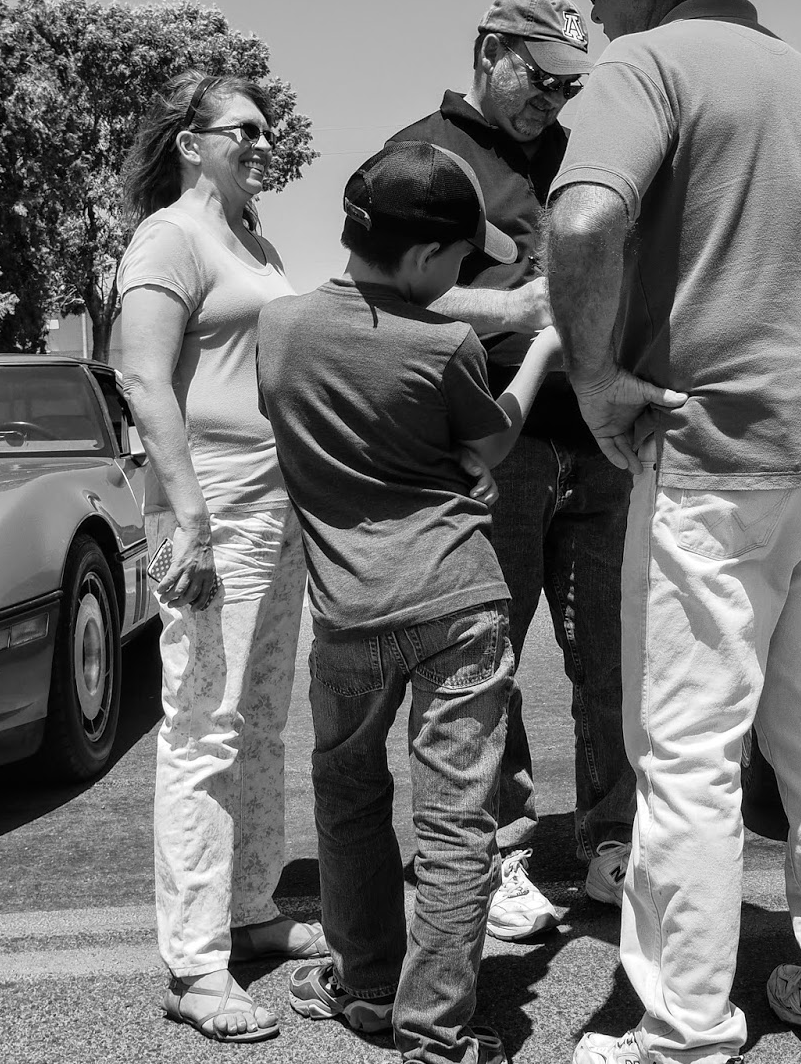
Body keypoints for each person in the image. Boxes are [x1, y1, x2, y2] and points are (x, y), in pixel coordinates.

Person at [528, 0, 801, 1064]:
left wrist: (596, 378)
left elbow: (582, 218)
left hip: (712, 447)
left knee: (688, 748)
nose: (590, 7)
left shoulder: (643, 68)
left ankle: (687, 1023)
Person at [259, 141, 561, 1064]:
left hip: (347, 611)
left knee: (347, 796)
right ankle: (435, 1030)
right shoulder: (447, 345)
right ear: (431, 259)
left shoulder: (280, 327)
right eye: (460, 261)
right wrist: (542, 346)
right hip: (455, 603)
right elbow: (485, 448)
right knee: (453, 820)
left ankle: (364, 986)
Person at [388, 0, 636, 942]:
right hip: (496, 443)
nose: (553, 102)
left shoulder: (584, 158)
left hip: (602, 439)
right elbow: (383, 293)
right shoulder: (420, 158)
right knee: (483, 659)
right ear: (488, 49)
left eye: (569, 87)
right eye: (539, 78)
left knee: (612, 654)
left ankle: (613, 842)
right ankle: (499, 852)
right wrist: (520, 312)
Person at [115, 70, 321, 1045]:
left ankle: (251, 909)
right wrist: (187, 514)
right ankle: (196, 965)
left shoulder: (257, 240)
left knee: (262, 716)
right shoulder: (171, 236)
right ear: (193, 142)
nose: (261, 139)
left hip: (277, 496)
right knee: (203, 723)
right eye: (242, 127)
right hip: (214, 497)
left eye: (266, 126)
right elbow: (141, 377)